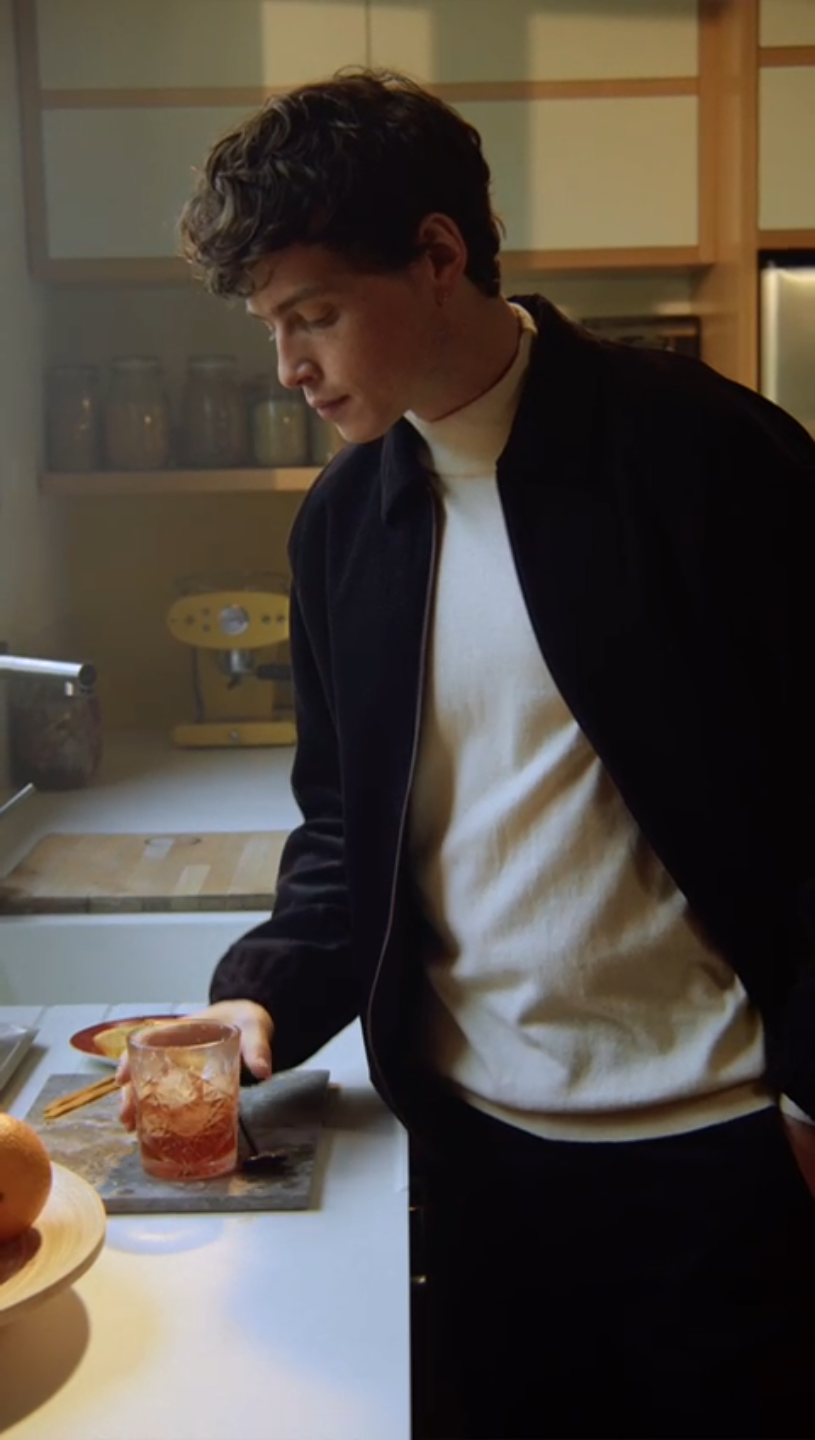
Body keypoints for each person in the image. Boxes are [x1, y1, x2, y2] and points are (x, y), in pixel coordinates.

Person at [120, 70, 815, 1439]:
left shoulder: (708, 459)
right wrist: (263, 996)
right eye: (271, 327)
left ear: (438, 256)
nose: (289, 368)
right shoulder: (342, 528)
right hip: (478, 1163)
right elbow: (343, 836)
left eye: (312, 314)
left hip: (723, 1159)